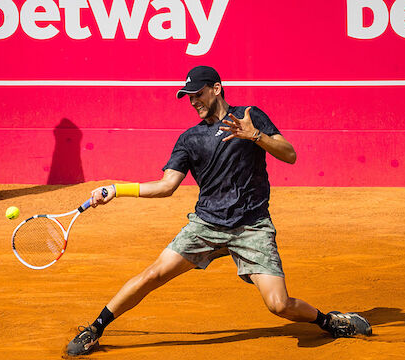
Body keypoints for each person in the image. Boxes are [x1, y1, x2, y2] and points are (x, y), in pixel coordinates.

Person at [66, 65, 371, 356]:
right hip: (207, 225)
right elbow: (166, 185)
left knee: (279, 305)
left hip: (251, 226)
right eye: (189, 96)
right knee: (153, 274)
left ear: (217, 88)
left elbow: (289, 154)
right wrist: (117, 189)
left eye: (198, 93)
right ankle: (94, 328)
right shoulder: (190, 139)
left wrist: (255, 136)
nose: (193, 101)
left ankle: (330, 322)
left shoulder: (250, 117)